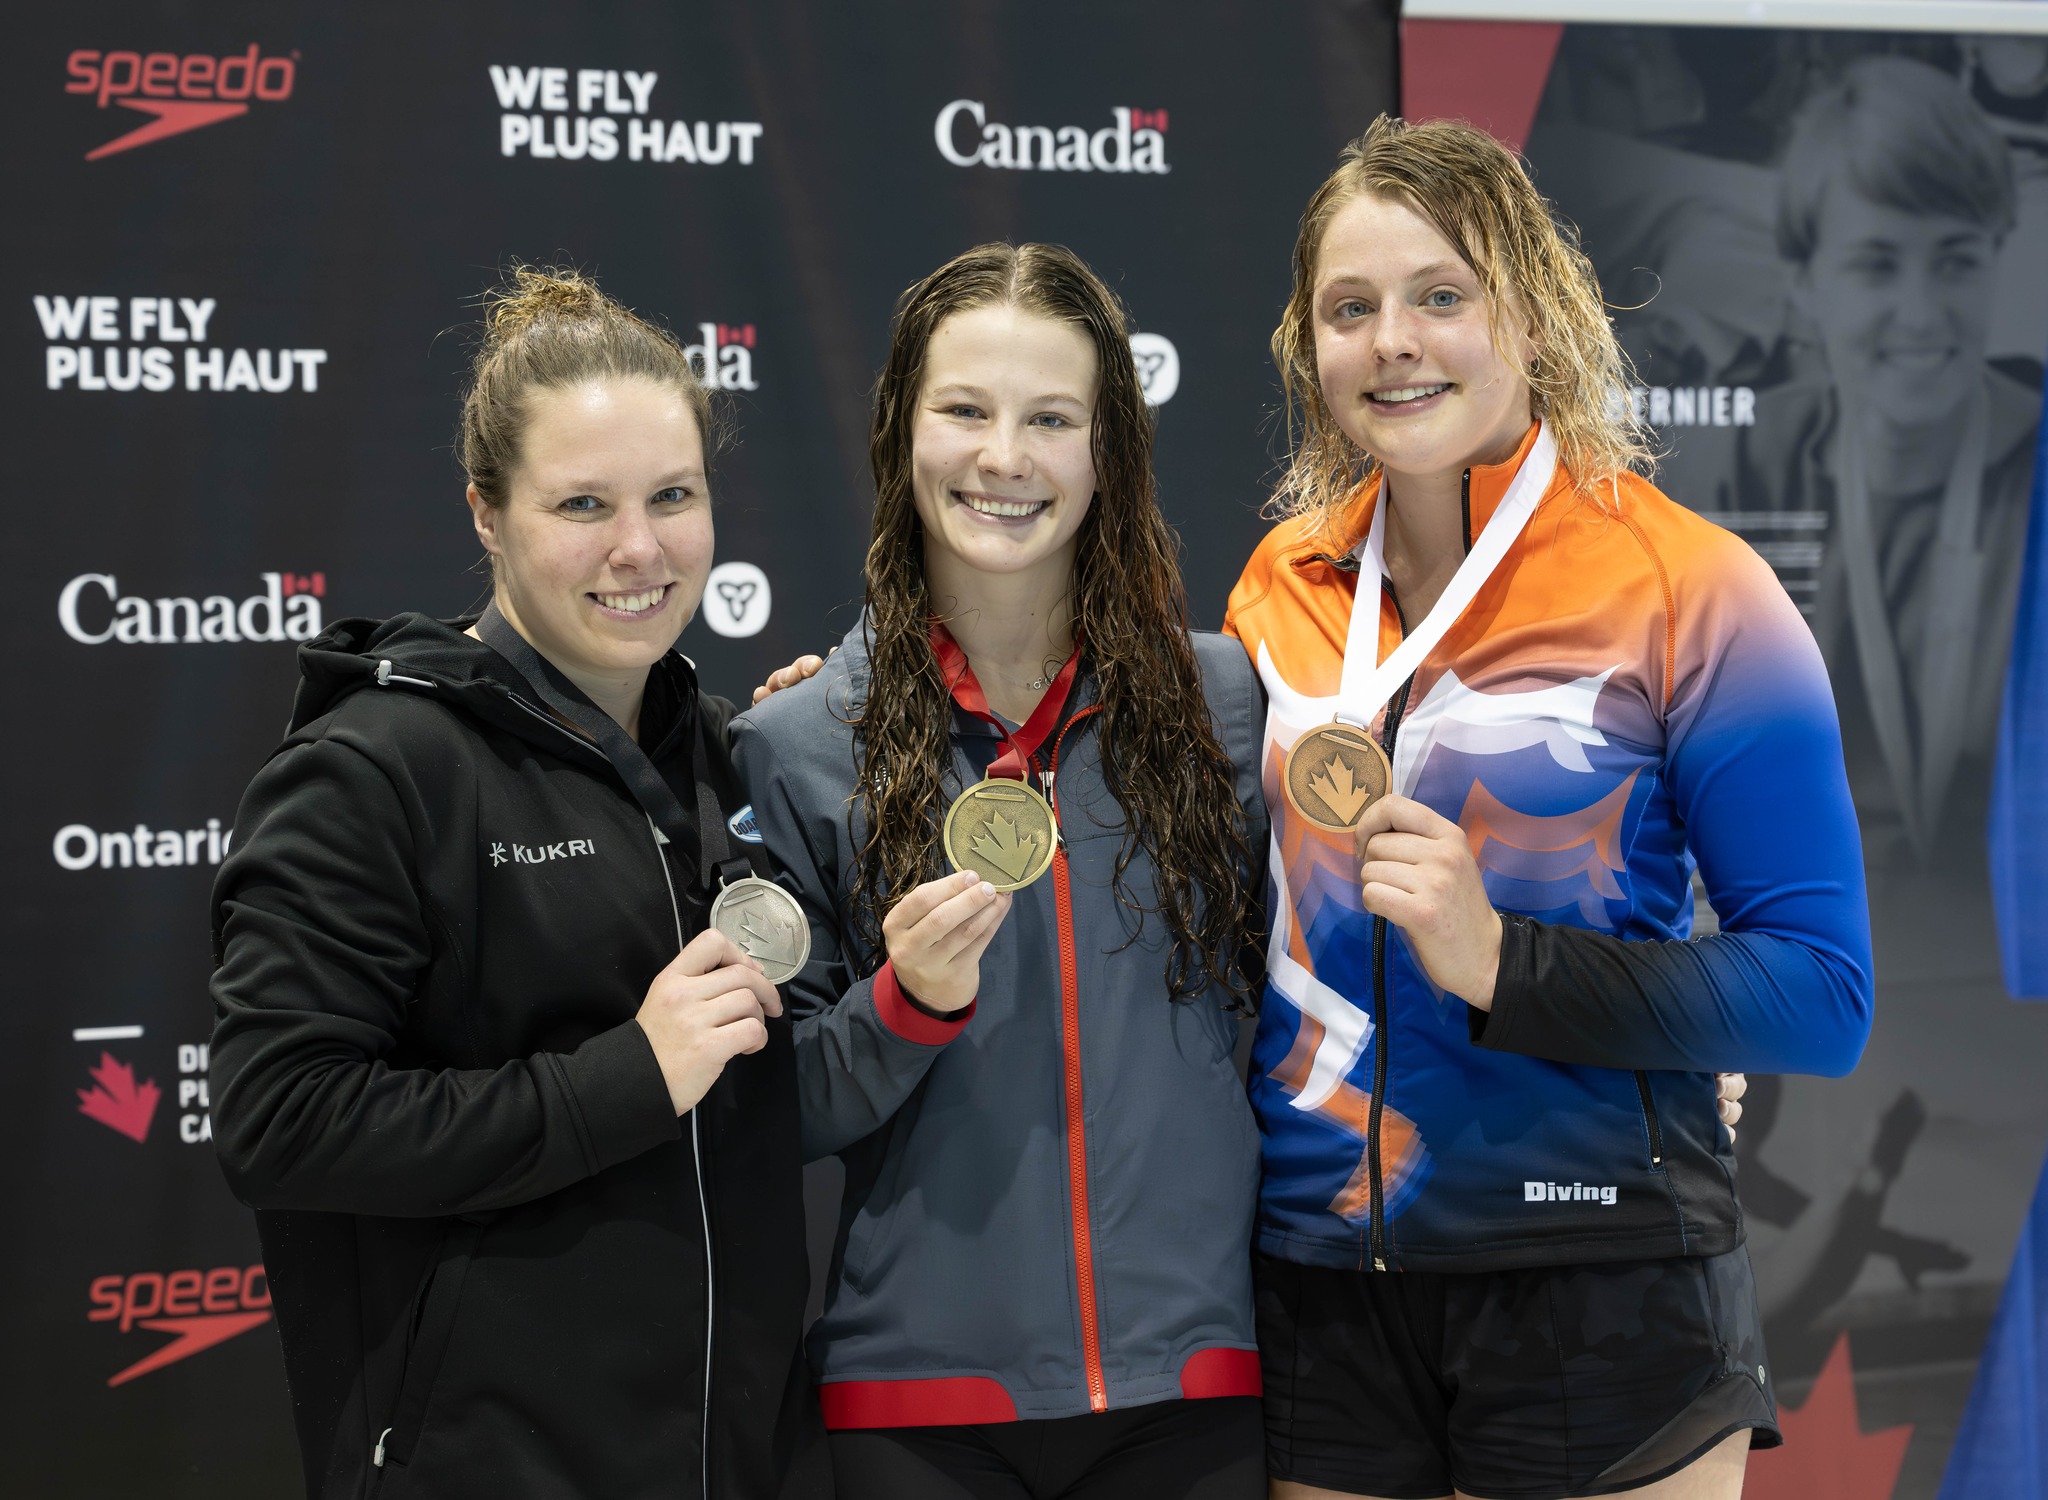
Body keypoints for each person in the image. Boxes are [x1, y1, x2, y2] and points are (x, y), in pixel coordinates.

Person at [1227, 117, 1874, 1499]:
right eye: (1352, 309)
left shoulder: (1691, 588)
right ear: (1308, 346)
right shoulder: (1278, 588)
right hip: (1327, 1280)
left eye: (1440, 296)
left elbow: (1820, 994)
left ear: (1531, 313)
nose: (1393, 340)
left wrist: (1505, 966)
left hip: (1604, 1281)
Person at [208, 268, 826, 1499]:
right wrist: (626, 1078)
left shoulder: (718, 754)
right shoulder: (374, 769)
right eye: (581, 503)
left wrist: (812, 774)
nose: (638, 548)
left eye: (672, 497)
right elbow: (281, 1122)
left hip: (732, 1458)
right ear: (487, 513)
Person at [732, 242, 1270, 1499]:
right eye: (963, 410)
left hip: (1193, 1397)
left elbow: (1326, 994)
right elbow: (768, 1114)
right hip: (918, 1409)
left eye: (1050, 418)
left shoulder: (1226, 707)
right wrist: (902, 1005)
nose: (1003, 458)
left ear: (1107, 450)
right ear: (898, 432)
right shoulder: (798, 743)